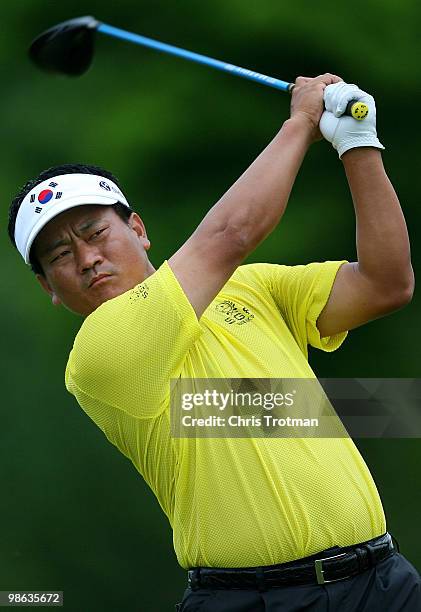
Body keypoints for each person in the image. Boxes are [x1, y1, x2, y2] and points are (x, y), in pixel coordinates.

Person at [8, 73, 420, 611]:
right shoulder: (98, 354)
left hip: (381, 582)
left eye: (95, 233)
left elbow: (386, 283)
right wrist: (300, 124)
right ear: (48, 288)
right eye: (60, 256)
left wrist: (358, 146)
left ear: (138, 228)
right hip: (252, 601)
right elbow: (231, 236)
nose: (87, 259)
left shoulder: (250, 287)